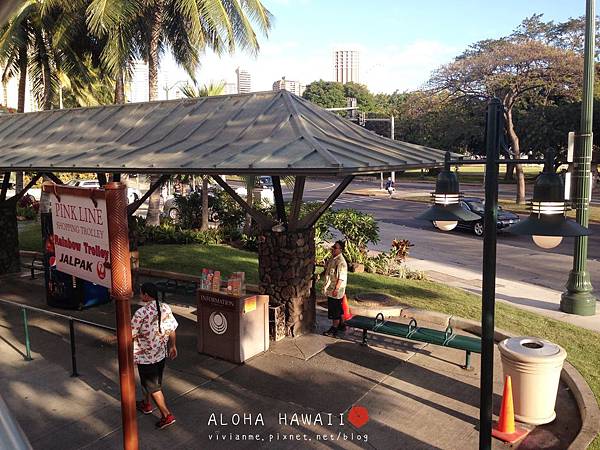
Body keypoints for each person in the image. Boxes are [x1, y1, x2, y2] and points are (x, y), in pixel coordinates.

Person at [132, 282, 179, 429]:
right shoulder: (165, 307)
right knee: (151, 382)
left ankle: (166, 415)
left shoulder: (141, 313)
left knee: (153, 387)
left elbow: (130, 333)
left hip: (146, 357)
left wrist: (115, 338)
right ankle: (146, 405)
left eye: (141, 293)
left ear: (146, 295)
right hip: (160, 354)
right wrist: (173, 346)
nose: (140, 295)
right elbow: (172, 329)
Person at [322, 240, 348, 337]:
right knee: (338, 308)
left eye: (335, 247)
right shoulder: (333, 259)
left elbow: (341, 278)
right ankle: (341, 324)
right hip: (331, 288)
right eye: (333, 246)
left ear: (340, 250)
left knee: (334, 310)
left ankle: (334, 328)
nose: (332, 248)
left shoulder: (341, 262)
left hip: (335, 290)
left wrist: (336, 289)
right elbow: (328, 271)